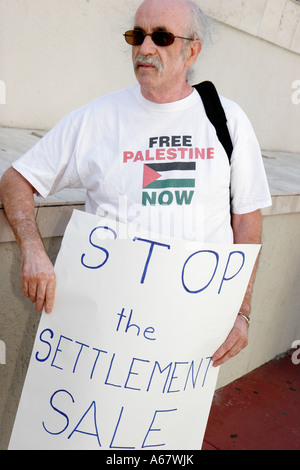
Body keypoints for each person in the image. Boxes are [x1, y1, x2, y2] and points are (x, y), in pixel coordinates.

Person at [0, 0, 271, 368]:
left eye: (161, 37)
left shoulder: (229, 121)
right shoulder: (98, 118)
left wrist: (242, 311)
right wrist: (33, 251)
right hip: (108, 329)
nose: (145, 48)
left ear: (192, 50)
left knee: (172, 425)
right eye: (137, 35)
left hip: (194, 332)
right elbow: (17, 179)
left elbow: (247, 220)